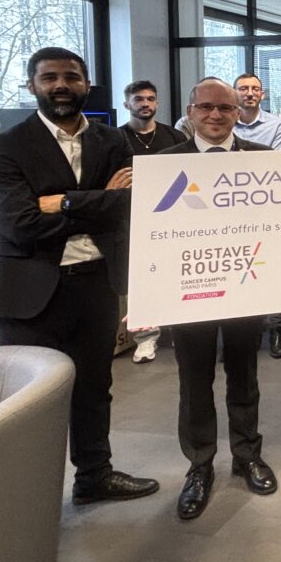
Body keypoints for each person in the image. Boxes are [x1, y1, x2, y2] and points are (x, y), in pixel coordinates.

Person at [0, 47, 158, 506]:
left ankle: (95, 477)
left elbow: (129, 206)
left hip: (95, 282)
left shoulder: (113, 142)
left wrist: (63, 202)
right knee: (31, 395)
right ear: (31, 85)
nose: (61, 85)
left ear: (86, 84)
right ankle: (28, 496)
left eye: (71, 77)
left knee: (94, 387)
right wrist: (97, 199)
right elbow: (21, 225)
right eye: (49, 77)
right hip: (29, 290)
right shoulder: (2, 148)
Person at [158, 79, 278, 520]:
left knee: (245, 374)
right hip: (189, 291)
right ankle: (200, 464)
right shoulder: (164, 165)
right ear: (190, 111)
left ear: (237, 113)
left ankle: (247, 455)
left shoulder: (263, 160)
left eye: (225, 108)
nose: (215, 115)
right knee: (194, 380)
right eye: (205, 107)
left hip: (246, 285)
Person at [118, 79, 184, 364]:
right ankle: (146, 338)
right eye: (138, 99)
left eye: (150, 99)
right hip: (132, 219)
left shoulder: (175, 137)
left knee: (176, 272)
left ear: (157, 103)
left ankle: (180, 328)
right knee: (142, 278)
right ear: (127, 104)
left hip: (172, 217)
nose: (145, 104)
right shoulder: (115, 138)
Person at [232, 72, 281, 150]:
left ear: (262, 95)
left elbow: (277, 157)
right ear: (233, 94)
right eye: (243, 89)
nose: (250, 94)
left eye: (255, 89)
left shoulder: (277, 126)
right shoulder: (224, 124)